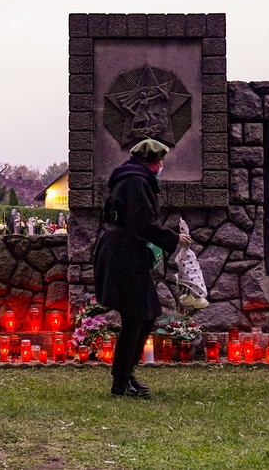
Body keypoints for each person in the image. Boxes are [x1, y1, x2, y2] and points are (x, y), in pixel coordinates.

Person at [92, 138, 192, 398]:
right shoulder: (136, 181)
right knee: (136, 316)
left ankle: (126, 375)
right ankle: (121, 382)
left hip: (124, 253)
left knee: (145, 314)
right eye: (161, 161)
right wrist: (173, 238)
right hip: (123, 255)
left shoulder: (131, 178)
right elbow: (141, 222)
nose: (162, 166)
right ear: (152, 162)